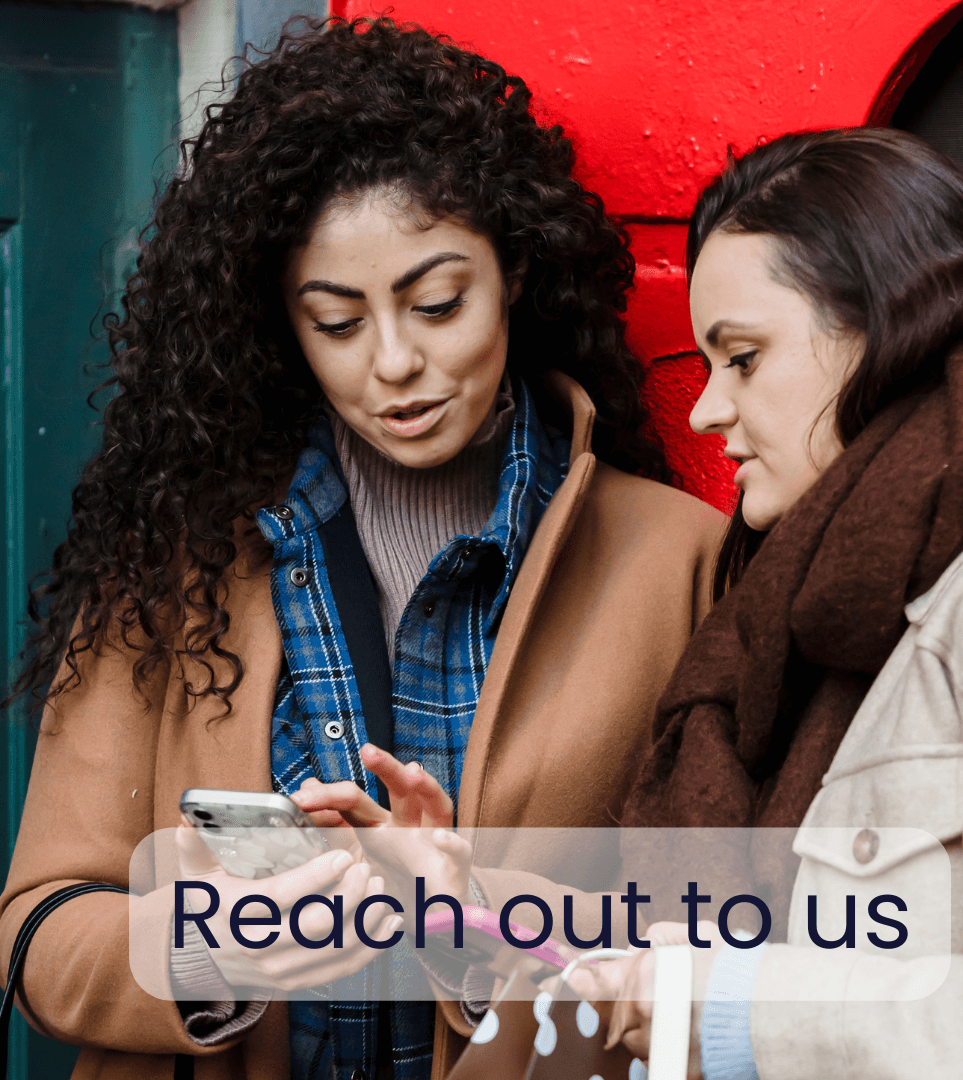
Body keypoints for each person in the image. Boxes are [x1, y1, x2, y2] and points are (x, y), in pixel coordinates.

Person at [0, 18, 725, 1080]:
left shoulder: (679, 562)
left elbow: (718, 952)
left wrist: (472, 917)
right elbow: (37, 929)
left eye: (437, 304)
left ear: (514, 271)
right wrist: (209, 947)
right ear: (280, 322)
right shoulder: (174, 557)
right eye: (337, 322)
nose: (395, 363)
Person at [575, 128, 963, 1078]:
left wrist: (741, 1017)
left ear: (886, 332)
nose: (704, 410)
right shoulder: (805, 601)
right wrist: (459, 897)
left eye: (745, 357)